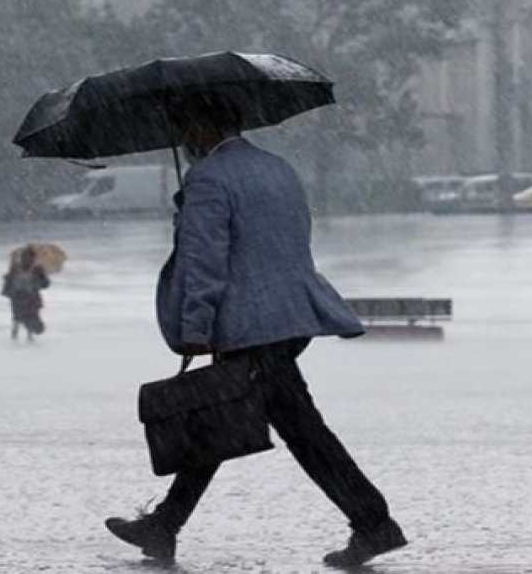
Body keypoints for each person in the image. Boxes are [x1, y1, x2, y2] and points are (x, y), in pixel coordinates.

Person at [104, 98, 405, 568]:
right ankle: (164, 525)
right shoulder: (278, 168)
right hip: (288, 317)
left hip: (249, 327)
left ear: (202, 125)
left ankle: (373, 522)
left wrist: (195, 327)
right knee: (219, 419)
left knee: (299, 431)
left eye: (187, 127)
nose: (185, 139)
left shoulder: (208, 178)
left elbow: (205, 262)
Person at [1, 245, 50, 342]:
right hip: (26, 297)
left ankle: (18, 336)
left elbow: (8, 284)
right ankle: (25, 336)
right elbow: (45, 284)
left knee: (20, 317)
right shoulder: (34, 269)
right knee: (26, 317)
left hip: (23, 298)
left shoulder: (18, 268)